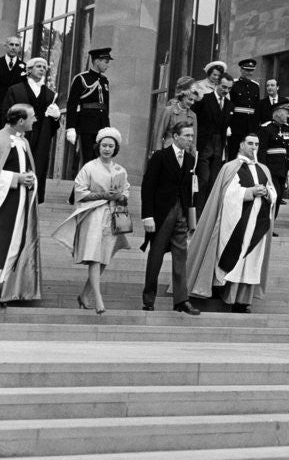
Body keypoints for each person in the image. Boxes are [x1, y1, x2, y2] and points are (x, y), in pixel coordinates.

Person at [186, 132, 276, 313]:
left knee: (250, 260)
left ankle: (242, 300)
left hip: (257, 222)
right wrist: (249, 191)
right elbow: (227, 194)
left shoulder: (264, 169)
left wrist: (266, 193)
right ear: (241, 145)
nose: (253, 147)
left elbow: (273, 192)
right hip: (236, 221)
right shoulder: (230, 167)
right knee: (231, 255)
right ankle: (224, 293)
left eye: (257, 144)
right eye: (250, 143)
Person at [52, 127, 130, 315]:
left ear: (115, 148)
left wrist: (120, 196)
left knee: (104, 257)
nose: (107, 149)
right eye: (104, 145)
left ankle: (84, 295)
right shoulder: (89, 167)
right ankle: (98, 298)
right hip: (93, 214)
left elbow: (126, 193)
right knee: (95, 256)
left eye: (111, 146)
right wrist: (102, 194)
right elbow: (79, 191)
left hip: (112, 216)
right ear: (98, 146)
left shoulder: (120, 170)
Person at [140, 119, 200, 315]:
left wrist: (191, 218)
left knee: (181, 257)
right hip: (161, 214)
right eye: (187, 136)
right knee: (155, 256)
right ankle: (148, 299)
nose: (190, 139)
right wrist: (147, 216)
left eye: (192, 136)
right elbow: (147, 188)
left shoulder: (191, 160)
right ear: (175, 137)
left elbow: (190, 191)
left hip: (181, 214)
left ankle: (181, 300)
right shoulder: (160, 157)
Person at [1, 57, 62, 203]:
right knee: (18, 161)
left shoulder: (50, 94)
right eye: (38, 66)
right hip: (20, 135)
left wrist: (55, 117)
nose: (42, 69)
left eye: (44, 67)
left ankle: (34, 196)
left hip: (41, 136)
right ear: (29, 70)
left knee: (39, 164)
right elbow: (6, 114)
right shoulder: (15, 90)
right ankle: (14, 192)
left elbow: (54, 126)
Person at [0, 104, 41, 304]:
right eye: (33, 117)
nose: (36, 120)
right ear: (21, 121)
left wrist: (31, 179)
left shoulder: (23, 142)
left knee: (14, 245)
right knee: (3, 243)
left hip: (20, 201)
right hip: (5, 202)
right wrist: (17, 178)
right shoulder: (1, 138)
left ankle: (2, 290)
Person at [65, 46, 112, 173]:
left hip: (101, 127)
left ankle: (90, 191)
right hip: (86, 126)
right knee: (87, 162)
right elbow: (72, 104)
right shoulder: (81, 79)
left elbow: (105, 107)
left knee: (100, 162)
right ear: (97, 61)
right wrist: (71, 127)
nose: (107, 66)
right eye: (106, 62)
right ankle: (79, 192)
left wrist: (107, 127)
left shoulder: (104, 80)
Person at [194, 72, 234, 211]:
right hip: (204, 146)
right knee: (203, 179)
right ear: (217, 84)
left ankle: (207, 214)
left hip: (219, 148)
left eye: (229, 88)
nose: (226, 90)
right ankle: (197, 213)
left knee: (213, 182)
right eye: (224, 87)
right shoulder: (204, 100)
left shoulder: (229, 105)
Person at [258, 104, 289, 225]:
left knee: (278, 198)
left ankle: (270, 225)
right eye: (286, 113)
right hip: (270, 169)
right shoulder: (266, 128)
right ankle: (264, 224)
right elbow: (261, 151)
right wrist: (262, 169)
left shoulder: (286, 129)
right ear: (278, 113)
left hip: (282, 169)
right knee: (273, 196)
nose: (288, 115)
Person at [151, 76, 200, 151]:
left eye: (194, 100)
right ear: (183, 96)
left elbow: (193, 141)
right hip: (169, 151)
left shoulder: (193, 115)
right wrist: (157, 154)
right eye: (190, 99)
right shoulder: (169, 111)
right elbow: (159, 135)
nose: (192, 103)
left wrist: (193, 158)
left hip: (184, 153)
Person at [231, 58, 261, 151]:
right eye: (247, 70)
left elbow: (256, 108)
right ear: (241, 70)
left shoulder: (255, 86)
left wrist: (256, 126)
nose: (250, 73)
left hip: (251, 126)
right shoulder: (234, 84)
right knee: (234, 151)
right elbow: (230, 105)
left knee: (250, 152)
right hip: (236, 125)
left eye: (251, 70)